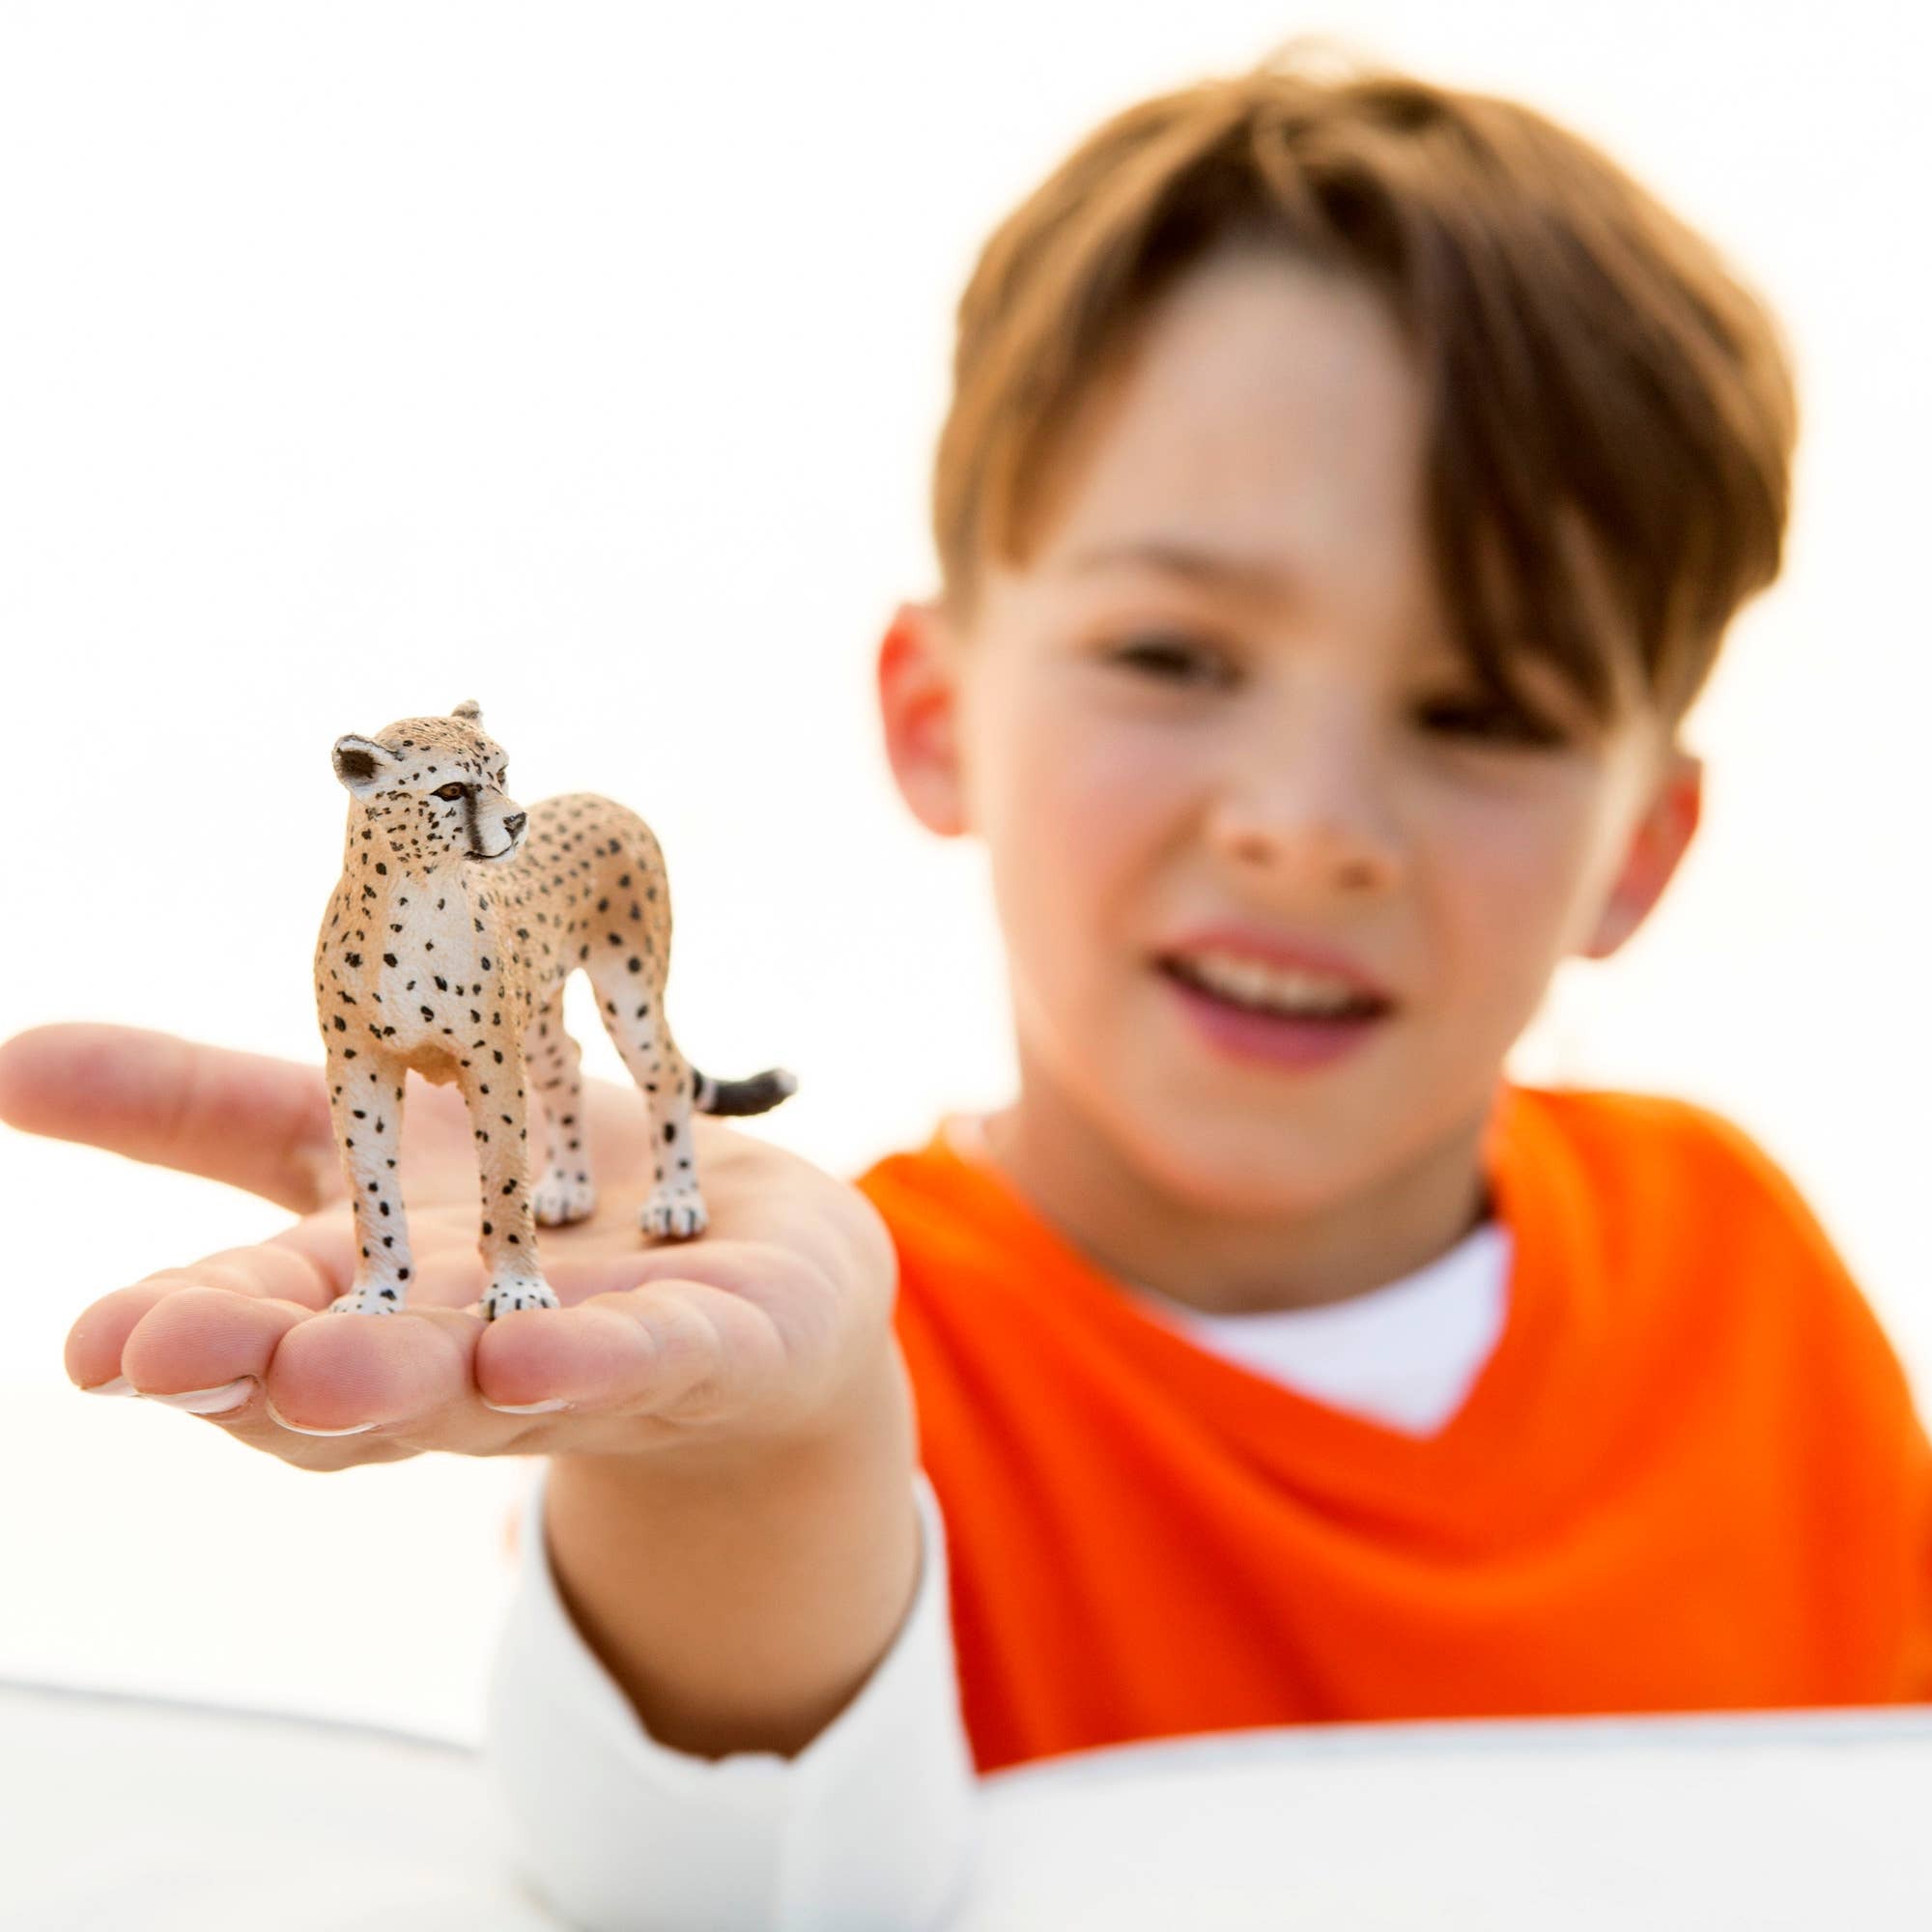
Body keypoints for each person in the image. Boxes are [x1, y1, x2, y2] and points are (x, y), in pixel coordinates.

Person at [4, 40, 1928, 1932]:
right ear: (938, 719)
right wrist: (762, 1452)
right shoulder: (832, 1339)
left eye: (1478, 711)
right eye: (1175, 657)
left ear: (1641, 850)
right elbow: (708, 1872)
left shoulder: (1739, 1274)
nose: (1306, 827)